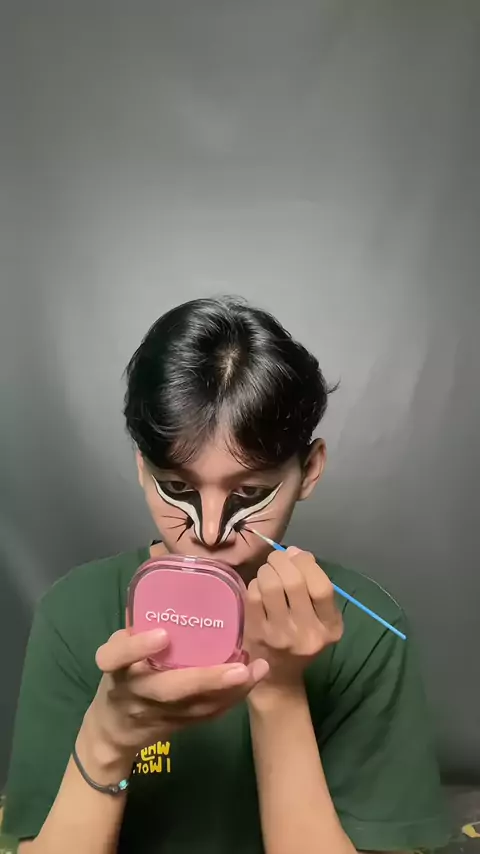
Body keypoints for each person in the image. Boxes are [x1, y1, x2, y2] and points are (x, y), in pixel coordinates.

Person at [2, 296, 450, 854]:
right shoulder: (74, 614)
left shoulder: (366, 631)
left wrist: (279, 690)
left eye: (250, 492)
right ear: (142, 467)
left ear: (309, 470)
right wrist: (107, 739)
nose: (211, 532)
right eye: (178, 487)